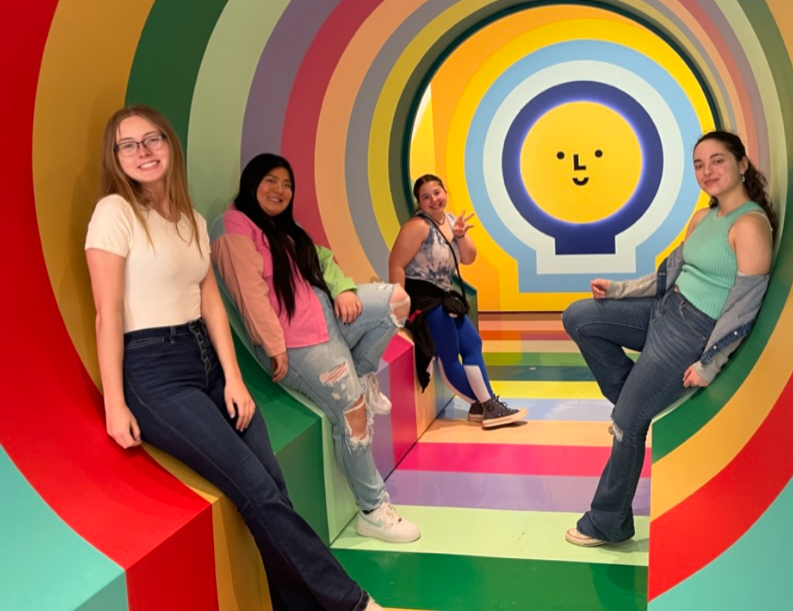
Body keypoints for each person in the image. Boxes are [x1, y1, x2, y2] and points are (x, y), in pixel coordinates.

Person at [85, 105, 383, 610]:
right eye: (128, 145)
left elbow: (211, 304)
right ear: (115, 158)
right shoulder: (114, 213)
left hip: (205, 360)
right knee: (255, 490)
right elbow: (106, 313)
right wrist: (115, 403)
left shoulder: (191, 219)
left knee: (273, 487)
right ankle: (354, 604)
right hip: (155, 374)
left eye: (152, 139)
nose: (143, 152)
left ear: (169, 144)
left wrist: (233, 378)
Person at [561, 130, 776, 547]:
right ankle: (635, 399)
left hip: (691, 331)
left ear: (742, 165)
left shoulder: (750, 225)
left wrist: (710, 363)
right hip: (664, 308)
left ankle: (608, 522)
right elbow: (668, 274)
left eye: (718, 161)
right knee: (579, 317)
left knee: (627, 424)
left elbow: (743, 307)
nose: (707, 171)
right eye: (699, 165)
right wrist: (619, 290)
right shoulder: (703, 218)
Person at [210, 153, 420, 544]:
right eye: (271, 181)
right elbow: (248, 292)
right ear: (251, 182)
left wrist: (342, 289)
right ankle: (373, 510)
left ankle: (362, 372)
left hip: (329, 318)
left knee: (397, 300)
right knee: (353, 414)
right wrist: (274, 346)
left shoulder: (283, 229)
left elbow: (322, 259)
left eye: (287, 184)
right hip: (299, 343)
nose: (280, 190)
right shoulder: (233, 224)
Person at [388, 174, 526, 429]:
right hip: (424, 299)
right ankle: (487, 404)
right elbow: (396, 264)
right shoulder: (418, 227)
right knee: (449, 356)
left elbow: (469, 258)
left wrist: (460, 235)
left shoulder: (452, 221)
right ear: (419, 202)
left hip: (445, 296)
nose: (433, 200)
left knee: (473, 343)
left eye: (437, 192)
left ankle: (483, 406)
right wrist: (399, 310)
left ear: (445, 192)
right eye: (426, 197)